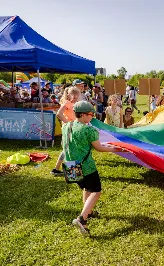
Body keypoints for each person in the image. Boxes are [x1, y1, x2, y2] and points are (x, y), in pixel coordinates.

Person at [64, 101, 123, 236]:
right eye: (91, 114)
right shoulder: (88, 129)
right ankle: (82, 219)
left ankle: (88, 211)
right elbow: (99, 148)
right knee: (96, 191)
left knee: (86, 188)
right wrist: (118, 149)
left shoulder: (67, 126)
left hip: (70, 166)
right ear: (83, 115)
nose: (92, 117)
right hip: (86, 167)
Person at [51, 86, 81, 175]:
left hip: (73, 127)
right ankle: (72, 173)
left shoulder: (73, 103)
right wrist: (68, 123)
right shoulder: (67, 103)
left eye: (77, 97)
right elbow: (59, 114)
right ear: (69, 95)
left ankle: (56, 169)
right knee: (70, 149)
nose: (75, 99)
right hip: (68, 128)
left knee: (67, 149)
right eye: (74, 97)